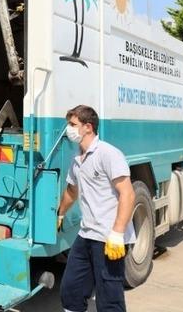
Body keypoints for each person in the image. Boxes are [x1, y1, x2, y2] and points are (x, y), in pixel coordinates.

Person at [58, 105, 136, 312]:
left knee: (109, 298)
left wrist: (118, 233)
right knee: (71, 290)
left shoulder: (108, 154)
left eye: (73, 124)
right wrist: (61, 213)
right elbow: (71, 192)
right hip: (86, 234)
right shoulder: (77, 160)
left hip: (109, 238)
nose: (69, 129)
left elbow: (127, 194)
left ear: (88, 127)